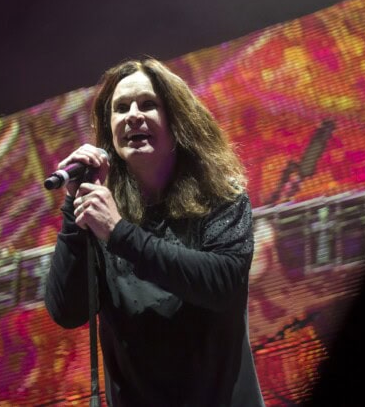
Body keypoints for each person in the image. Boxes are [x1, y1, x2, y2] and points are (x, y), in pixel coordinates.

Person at [45, 58, 265, 406]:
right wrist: (75, 208)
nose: (133, 115)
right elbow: (67, 311)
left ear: (177, 120)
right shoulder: (102, 211)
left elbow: (223, 282)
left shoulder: (221, 197)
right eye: (121, 108)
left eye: (148, 104)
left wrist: (120, 233)